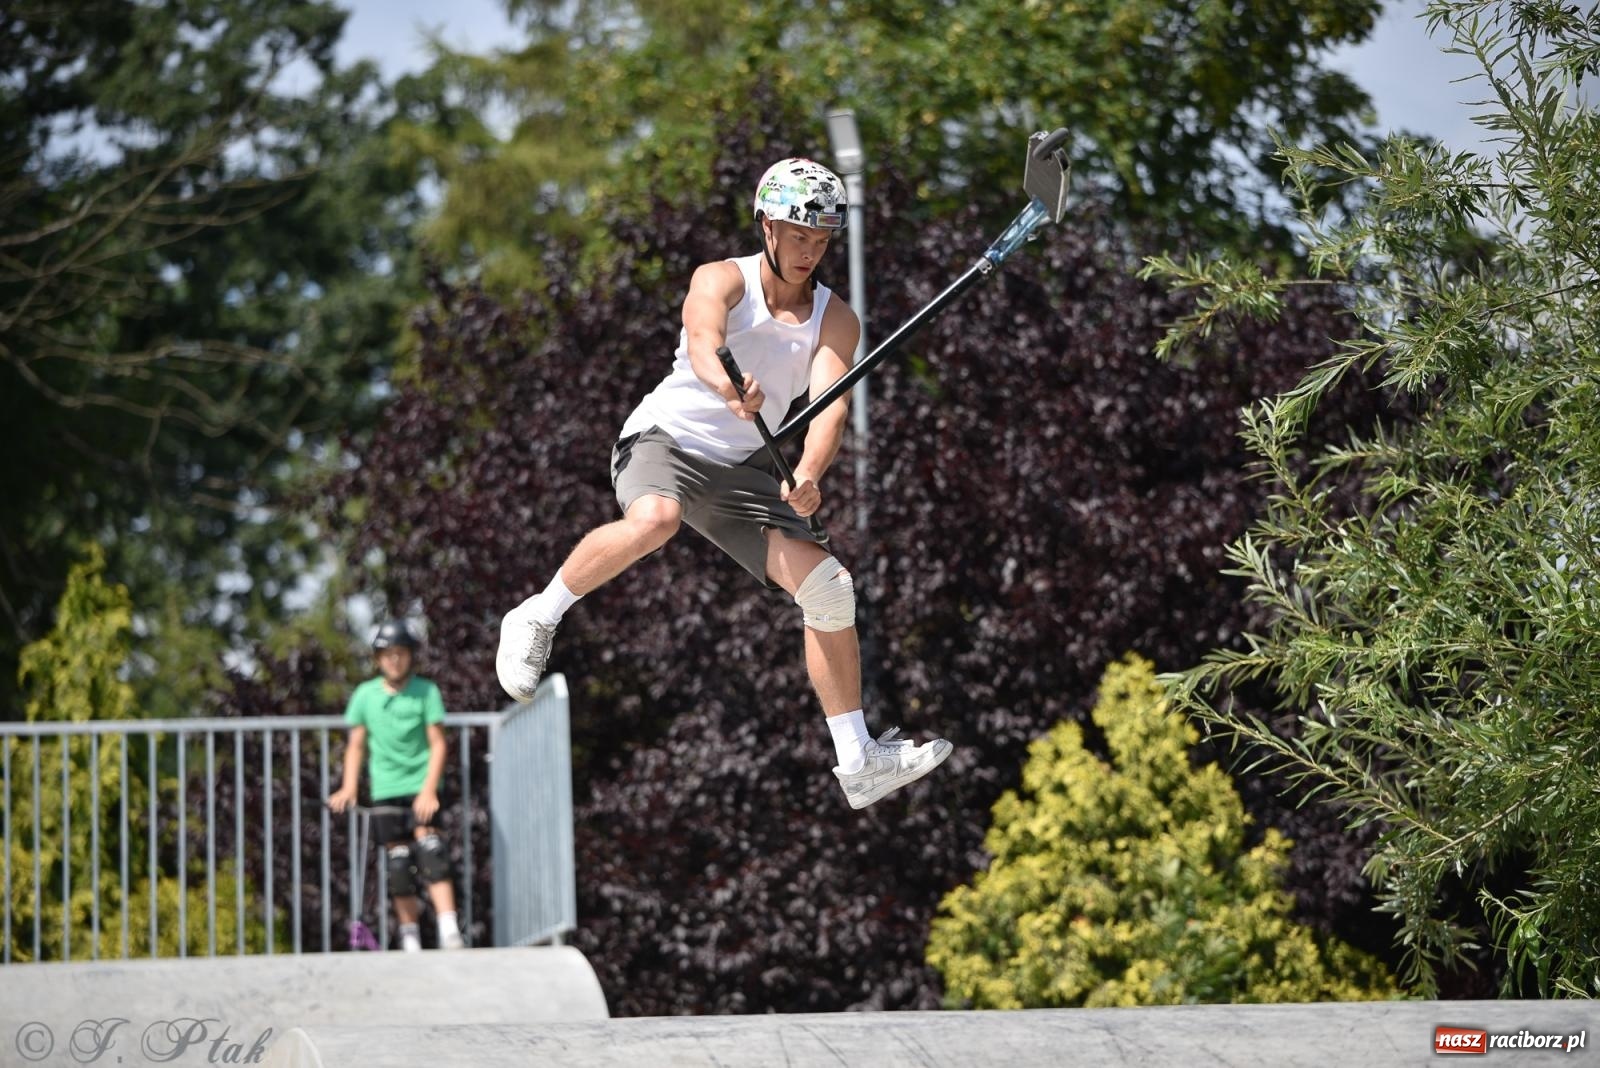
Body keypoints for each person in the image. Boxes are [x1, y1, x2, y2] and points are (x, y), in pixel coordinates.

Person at [496, 156, 952, 810]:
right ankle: (538, 615)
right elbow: (702, 338)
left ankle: (858, 759)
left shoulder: (836, 320)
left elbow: (830, 409)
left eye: (822, 240)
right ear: (767, 226)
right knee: (656, 519)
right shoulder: (721, 277)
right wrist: (729, 386)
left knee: (829, 589)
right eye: (798, 235)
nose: (810, 251)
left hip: (743, 468)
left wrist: (809, 474)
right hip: (667, 439)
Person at [328, 619, 465, 950]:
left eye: (400, 653)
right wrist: (348, 787)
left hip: (421, 787)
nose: (394, 660)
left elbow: (438, 744)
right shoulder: (365, 695)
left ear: (410, 656)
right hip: (386, 789)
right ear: (378, 659)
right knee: (399, 864)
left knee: (432, 852)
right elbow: (356, 746)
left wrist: (429, 790)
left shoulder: (426, 691)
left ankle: (449, 930)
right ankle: (409, 934)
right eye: (388, 654)